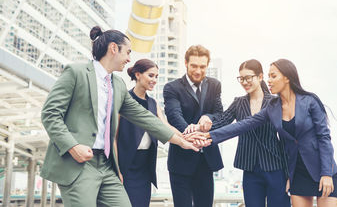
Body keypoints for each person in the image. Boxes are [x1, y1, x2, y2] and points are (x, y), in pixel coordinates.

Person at [40, 26, 201, 207]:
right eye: (128, 52)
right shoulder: (76, 73)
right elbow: (50, 114)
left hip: (107, 165)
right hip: (79, 164)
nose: (129, 59)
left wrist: (180, 140)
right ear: (114, 48)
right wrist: (73, 146)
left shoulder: (117, 84)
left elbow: (144, 117)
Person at [205, 59, 337, 207]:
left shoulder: (310, 101)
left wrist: (326, 173)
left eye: (273, 76)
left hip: (319, 167)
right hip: (296, 172)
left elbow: (324, 138)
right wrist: (209, 136)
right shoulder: (273, 107)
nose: (269, 81)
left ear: (287, 77)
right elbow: (244, 125)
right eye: (268, 76)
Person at [187, 59, 290, 207]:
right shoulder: (239, 103)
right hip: (250, 169)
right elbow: (222, 121)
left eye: (248, 77)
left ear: (260, 77)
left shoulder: (275, 102)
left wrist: (289, 174)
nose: (244, 82)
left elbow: (286, 138)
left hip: (275, 166)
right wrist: (199, 128)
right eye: (241, 78)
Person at [163, 45, 224, 207]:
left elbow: (219, 114)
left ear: (207, 65)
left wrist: (207, 117)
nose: (198, 71)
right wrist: (193, 135)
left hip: (206, 160)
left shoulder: (214, 85)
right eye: (194, 66)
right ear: (186, 63)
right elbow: (174, 116)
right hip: (181, 162)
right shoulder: (172, 88)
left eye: (202, 67)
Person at [117, 59, 182, 207]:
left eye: (156, 77)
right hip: (125, 164)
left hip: (145, 166)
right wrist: (116, 169)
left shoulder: (153, 103)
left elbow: (165, 127)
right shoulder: (124, 99)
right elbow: (113, 137)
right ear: (138, 75)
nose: (154, 80)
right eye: (151, 75)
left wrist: (186, 137)